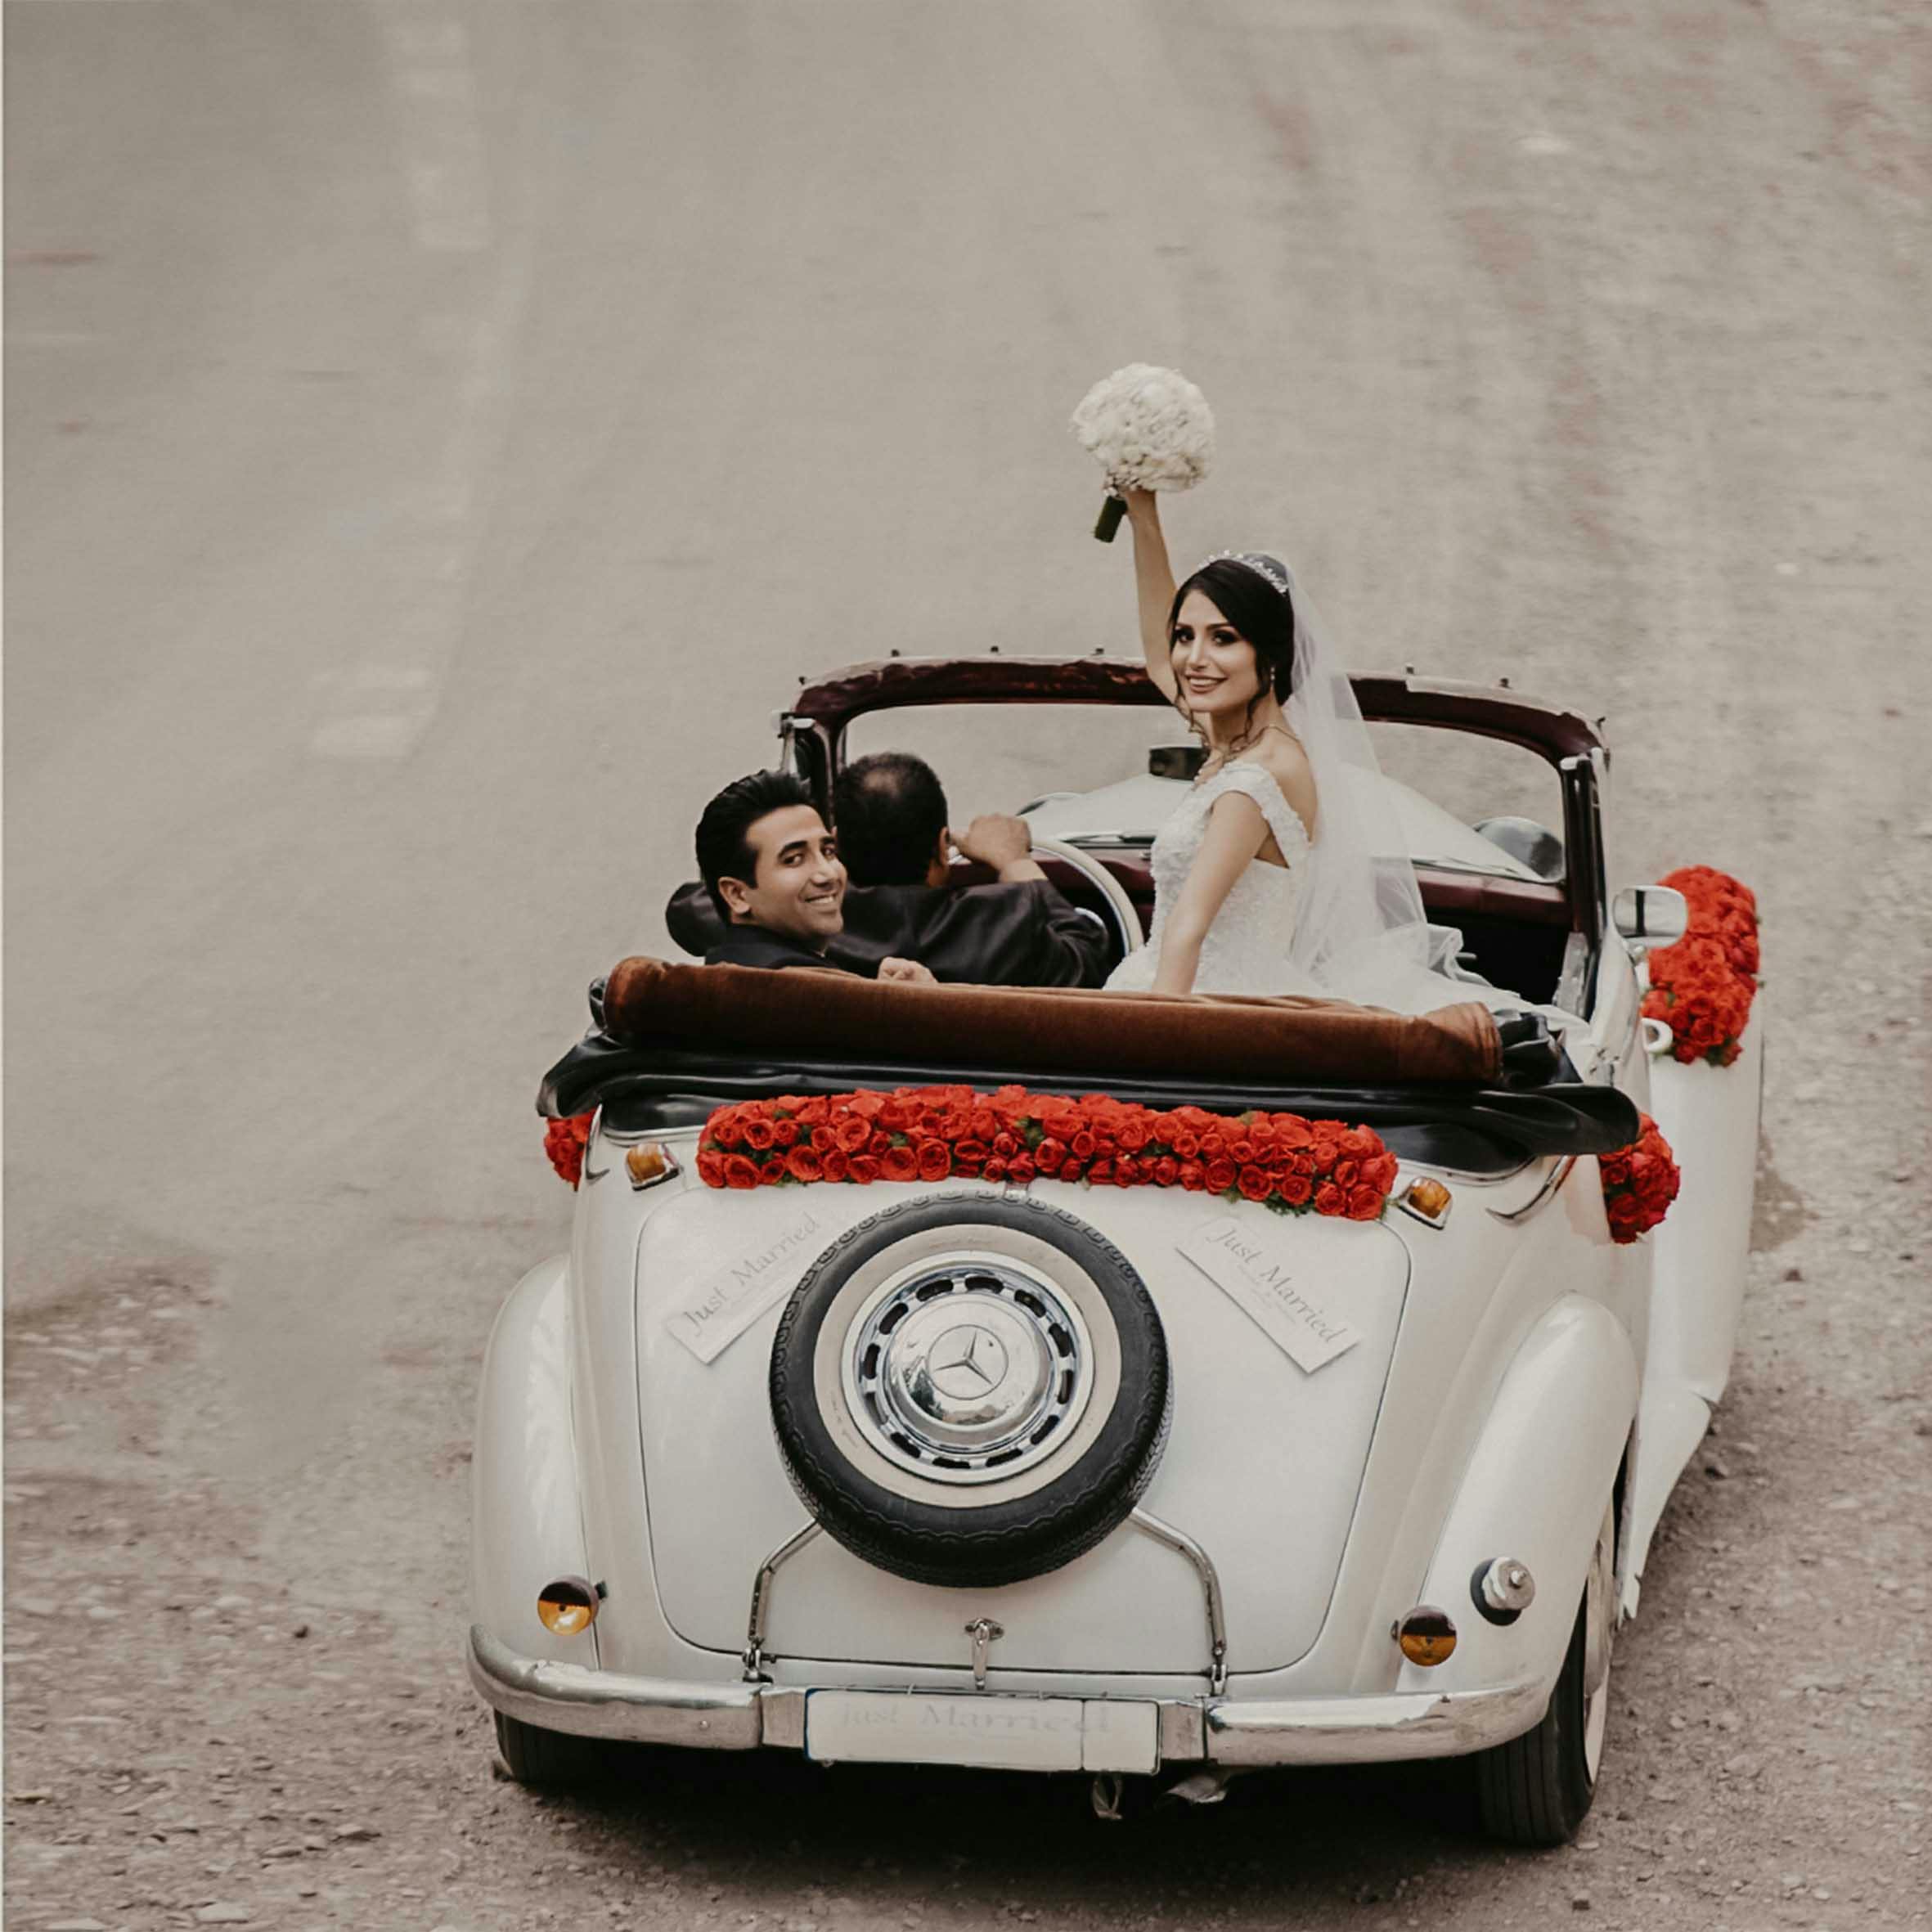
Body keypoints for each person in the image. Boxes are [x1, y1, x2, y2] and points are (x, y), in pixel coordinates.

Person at [1104, 487, 1481, 1012]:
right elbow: (1158, 657)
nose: (1194, 658)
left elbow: (1188, 929)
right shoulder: (1243, 741)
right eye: (1186, 635)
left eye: (1223, 638)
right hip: (1202, 986)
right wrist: (1143, 516)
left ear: (1272, 654)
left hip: (1203, 1005)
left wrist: (1154, 1055)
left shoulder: (1255, 779)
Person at [667, 755, 1113, 986]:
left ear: (838, 846)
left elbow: (688, 908)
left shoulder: (766, 930)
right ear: (943, 847)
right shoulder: (1015, 917)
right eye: (794, 857)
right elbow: (1088, 954)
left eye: (823, 851)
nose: (822, 874)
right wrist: (1016, 862)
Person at [694, 770, 934, 982]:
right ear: (736, 894)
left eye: (828, 852)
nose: (827, 874)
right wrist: (917, 1007)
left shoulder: (729, 968)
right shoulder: (805, 990)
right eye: (794, 859)